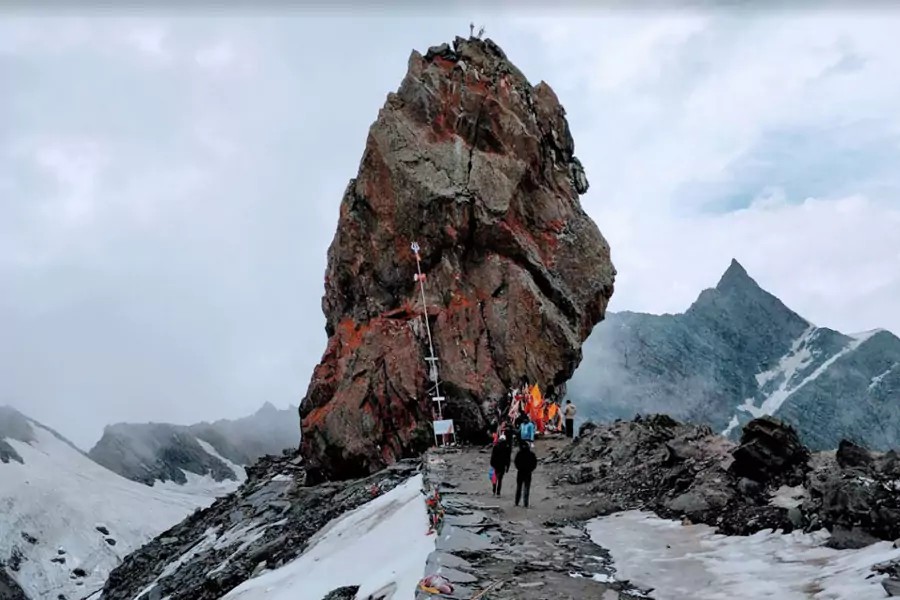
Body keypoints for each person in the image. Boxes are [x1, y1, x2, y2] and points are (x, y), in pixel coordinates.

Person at [514, 441, 537, 508]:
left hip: (520, 473)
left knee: (519, 488)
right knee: (526, 488)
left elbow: (516, 462)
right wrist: (530, 469)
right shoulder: (531, 454)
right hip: (528, 473)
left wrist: (519, 468)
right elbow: (534, 463)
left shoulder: (519, 454)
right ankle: (525, 503)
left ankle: (516, 502)